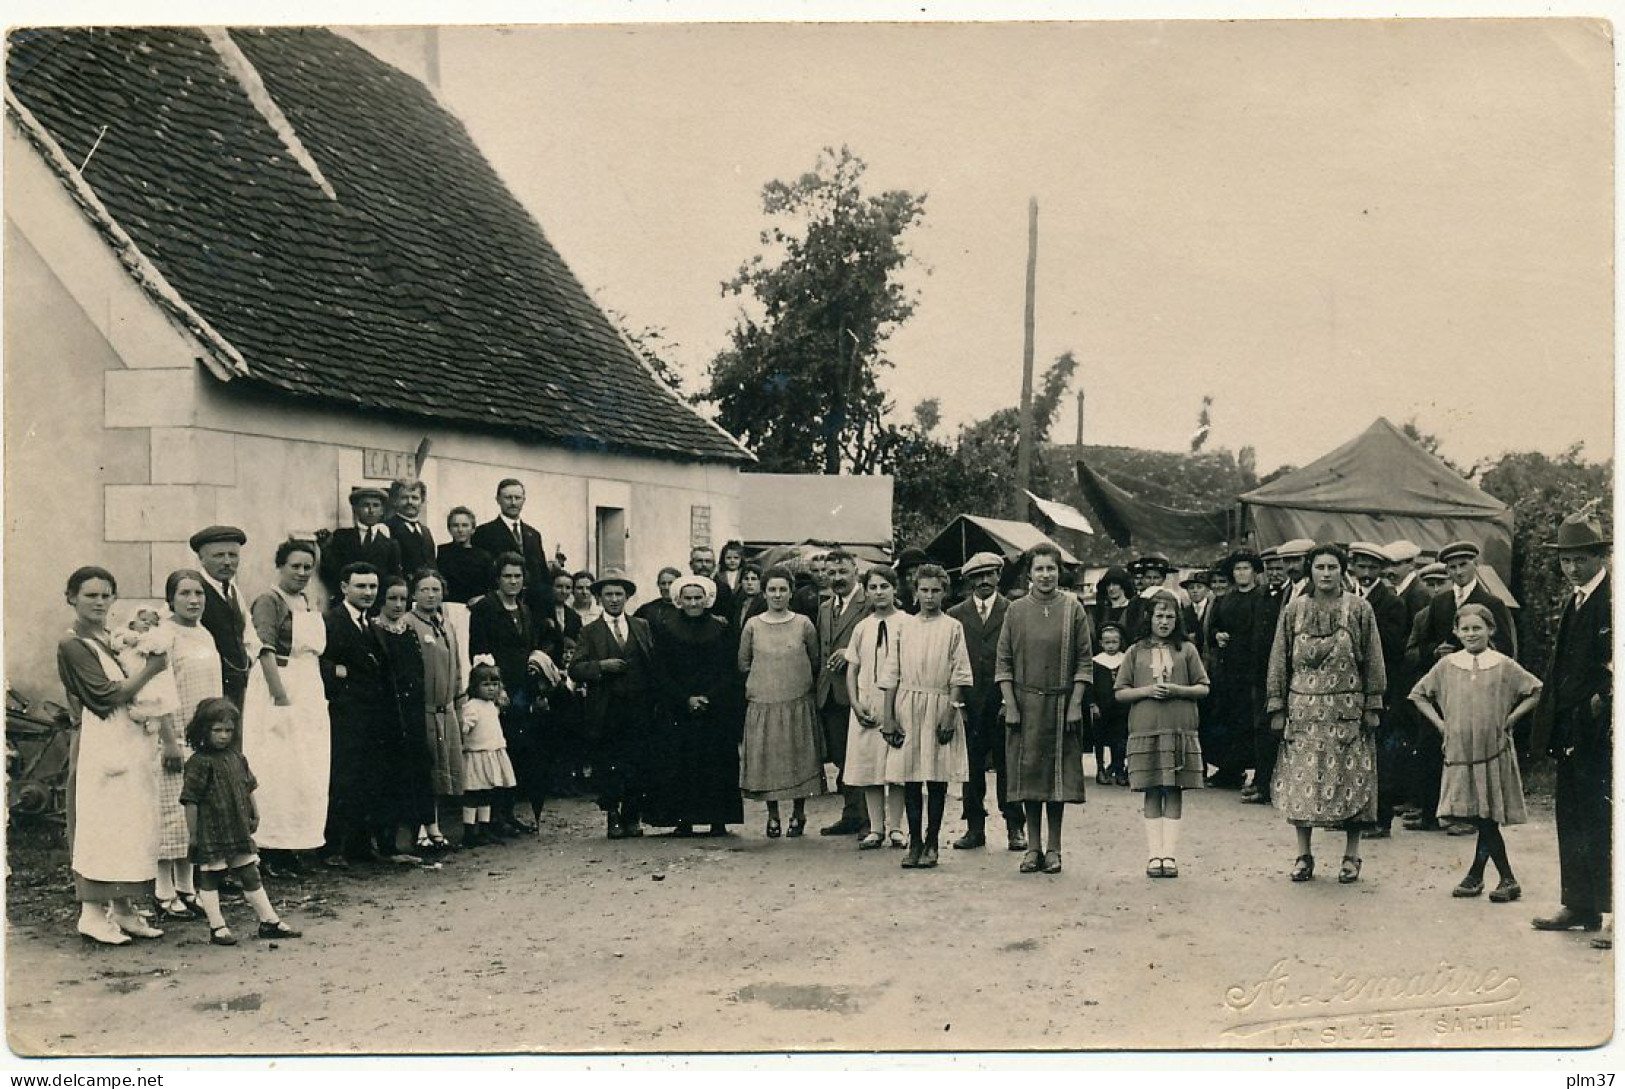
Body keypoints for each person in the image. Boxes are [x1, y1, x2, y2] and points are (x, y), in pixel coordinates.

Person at [58, 566, 169, 944]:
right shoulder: (73, 645)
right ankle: (92, 914)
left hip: (131, 739)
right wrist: (153, 669)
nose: (99, 602)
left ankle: (123, 909)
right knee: (102, 825)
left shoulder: (112, 637)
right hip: (102, 741)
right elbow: (104, 697)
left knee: (131, 823)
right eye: (90, 595)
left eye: (106, 594)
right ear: (71, 597)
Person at [1266, 543, 1387, 885]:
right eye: (1320, 567)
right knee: (1301, 782)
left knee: (1352, 781)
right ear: (1310, 571)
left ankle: (1351, 856)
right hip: (1303, 711)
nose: (1326, 574)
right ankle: (1304, 855)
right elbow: (1279, 658)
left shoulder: (1360, 609)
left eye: (1333, 567)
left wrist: (1373, 704)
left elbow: (1374, 659)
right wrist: (1276, 706)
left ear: (1342, 570)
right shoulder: (1294, 610)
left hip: (1346, 713)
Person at [1409, 604, 1541, 903]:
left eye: (1477, 628)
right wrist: (1442, 724)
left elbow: (1535, 691)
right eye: (1465, 629)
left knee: (1487, 815)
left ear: (1490, 630)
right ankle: (1482, 876)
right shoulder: (1447, 665)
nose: (1471, 634)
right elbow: (1419, 694)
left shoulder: (1504, 664)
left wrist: (1510, 719)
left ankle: (1500, 878)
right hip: (1460, 750)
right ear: (1456, 632)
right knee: (1482, 815)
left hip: (1492, 750)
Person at [1530, 512, 1612, 943]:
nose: (1573, 568)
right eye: (1566, 560)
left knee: (1604, 816)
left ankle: (1614, 911)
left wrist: (1601, 704)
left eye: (1581, 559)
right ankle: (1579, 903)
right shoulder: (1576, 599)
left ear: (1600, 556)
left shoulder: (1612, 598)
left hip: (1602, 729)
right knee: (1573, 813)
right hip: (1571, 725)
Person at [1406, 540, 1516, 834]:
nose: (1458, 572)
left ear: (1474, 566)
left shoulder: (1492, 602)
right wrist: (1435, 653)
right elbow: (1423, 641)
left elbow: (1507, 648)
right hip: (1446, 688)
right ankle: (1432, 812)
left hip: (1478, 687)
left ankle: (1471, 817)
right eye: (1452, 568)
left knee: (1474, 748)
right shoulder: (1439, 602)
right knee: (1432, 744)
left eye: (1463, 565)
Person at [996, 543, 1092, 875]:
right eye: (1039, 569)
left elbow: (1084, 661)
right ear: (1030, 574)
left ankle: (1054, 848)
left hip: (1062, 706)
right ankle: (1032, 848)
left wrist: (1075, 704)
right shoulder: (1015, 610)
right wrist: (1010, 704)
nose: (1046, 575)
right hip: (1025, 706)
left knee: (1057, 780)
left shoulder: (1073, 609)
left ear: (1059, 571)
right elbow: (1004, 662)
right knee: (1030, 777)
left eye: (1051, 568)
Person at [180, 698, 302, 945]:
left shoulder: (237, 757)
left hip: (237, 827)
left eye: (228, 730)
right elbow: (190, 801)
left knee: (250, 872)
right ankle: (217, 927)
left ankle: (269, 921)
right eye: (217, 730)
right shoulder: (198, 763)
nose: (224, 736)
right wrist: (193, 835)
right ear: (203, 730)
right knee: (211, 876)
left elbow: (248, 787)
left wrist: (254, 812)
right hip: (211, 830)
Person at [243, 541, 329, 880]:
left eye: (308, 567)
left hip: (307, 684)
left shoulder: (305, 601)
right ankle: (269, 849)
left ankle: (294, 844)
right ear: (280, 566)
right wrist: (279, 698)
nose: (302, 573)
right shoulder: (269, 601)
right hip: (279, 683)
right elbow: (263, 650)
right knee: (277, 767)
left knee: (304, 769)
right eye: (295, 566)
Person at [880, 564, 973, 869]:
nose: (929, 596)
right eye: (924, 590)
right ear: (915, 592)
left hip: (939, 704)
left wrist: (950, 713)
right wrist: (889, 716)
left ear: (944, 592)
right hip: (907, 705)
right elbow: (891, 672)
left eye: (935, 591)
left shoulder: (952, 627)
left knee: (935, 777)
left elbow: (960, 675)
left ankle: (932, 842)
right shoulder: (903, 627)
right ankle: (914, 841)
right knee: (909, 777)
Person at [1117, 590, 1210, 879]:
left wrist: (1177, 690)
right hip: (1146, 729)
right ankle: (1153, 854)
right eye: (1159, 616)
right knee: (1152, 789)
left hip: (1179, 729)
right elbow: (1120, 692)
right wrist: (1146, 691)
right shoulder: (1136, 651)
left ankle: (1169, 854)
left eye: (1170, 616)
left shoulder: (1187, 650)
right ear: (1149, 618)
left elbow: (1203, 687)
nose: (1165, 622)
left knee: (1173, 789)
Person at [148, 570, 222, 918]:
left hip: (202, 736)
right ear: (171, 598)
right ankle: (163, 893)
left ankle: (186, 887)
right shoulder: (164, 635)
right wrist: (169, 741)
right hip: (175, 736)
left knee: (195, 815)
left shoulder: (205, 633)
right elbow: (157, 690)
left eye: (199, 594)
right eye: (186, 594)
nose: (194, 601)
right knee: (172, 815)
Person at [646, 574, 744, 836]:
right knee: (681, 763)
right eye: (687, 598)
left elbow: (729, 671)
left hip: (715, 709)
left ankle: (718, 819)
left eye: (698, 597)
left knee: (716, 763)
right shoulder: (665, 630)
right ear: (679, 600)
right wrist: (685, 699)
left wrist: (709, 697)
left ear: (707, 599)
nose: (693, 603)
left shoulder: (723, 630)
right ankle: (683, 819)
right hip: (679, 709)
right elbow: (661, 672)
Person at [570, 569, 658, 839]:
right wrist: (601, 666)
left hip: (638, 707)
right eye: (608, 594)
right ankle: (613, 816)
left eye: (619, 594)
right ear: (599, 598)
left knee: (637, 761)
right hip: (607, 709)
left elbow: (652, 663)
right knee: (610, 763)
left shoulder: (641, 626)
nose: (614, 599)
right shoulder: (590, 631)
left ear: (627, 597)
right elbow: (575, 669)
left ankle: (632, 815)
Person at [737, 566, 824, 837]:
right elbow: (743, 663)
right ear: (764, 593)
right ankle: (773, 815)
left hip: (797, 701)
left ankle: (799, 813)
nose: (777, 595)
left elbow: (815, 659)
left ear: (791, 592)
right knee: (769, 760)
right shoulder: (752, 625)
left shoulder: (803, 624)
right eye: (772, 590)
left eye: (782, 589)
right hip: (764, 702)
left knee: (800, 757)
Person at [947, 551, 1023, 851]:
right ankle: (974, 827)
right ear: (968, 581)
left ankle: (1015, 826)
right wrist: (958, 705)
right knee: (971, 768)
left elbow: (1020, 658)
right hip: (968, 702)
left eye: (989, 574)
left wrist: (1010, 701)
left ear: (998, 576)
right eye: (976, 577)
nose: (983, 581)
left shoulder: (1014, 611)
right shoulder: (955, 615)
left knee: (1009, 766)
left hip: (1003, 700)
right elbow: (951, 661)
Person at [467, 553, 545, 836]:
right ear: (497, 579)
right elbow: (480, 650)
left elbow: (530, 651)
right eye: (507, 576)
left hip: (522, 690)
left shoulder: (524, 610)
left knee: (517, 753)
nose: (513, 581)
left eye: (518, 576)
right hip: (496, 693)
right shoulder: (486, 609)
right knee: (494, 753)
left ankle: (509, 812)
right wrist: (495, 689)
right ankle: (492, 818)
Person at [320, 562, 389, 867]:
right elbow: (319, 661)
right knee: (343, 779)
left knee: (368, 778)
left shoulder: (371, 624)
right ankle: (334, 847)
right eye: (361, 586)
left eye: (373, 587)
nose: (368, 592)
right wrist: (336, 672)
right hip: (344, 713)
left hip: (371, 715)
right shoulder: (331, 621)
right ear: (344, 588)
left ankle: (361, 845)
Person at [1349, 542, 1412, 839]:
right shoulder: (1348, 598)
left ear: (1381, 570)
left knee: (1381, 755)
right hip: (1350, 686)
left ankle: (1381, 819)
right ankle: (1353, 814)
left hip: (1382, 687)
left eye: (1371, 568)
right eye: (1360, 566)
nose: (1365, 573)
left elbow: (1393, 647)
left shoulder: (1391, 602)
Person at [843, 566, 909, 849]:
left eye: (884, 586)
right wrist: (856, 704)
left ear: (894, 589)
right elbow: (852, 669)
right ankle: (876, 828)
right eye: (873, 587)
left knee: (895, 769)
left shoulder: (907, 623)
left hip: (896, 704)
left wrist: (896, 709)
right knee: (870, 768)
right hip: (867, 704)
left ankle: (896, 828)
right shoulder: (862, 627)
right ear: (866, 591)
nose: (879, 592)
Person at [373, 576, 437, 861]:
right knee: (389, 773)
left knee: (416, 768)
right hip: (386, 714)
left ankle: (412, 836)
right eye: (392, 599)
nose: (398, 605)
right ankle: (386, 842)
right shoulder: (376, 630)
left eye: (402, 599)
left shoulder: (408, 631)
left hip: (412, 712)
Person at [1207, 550, 1274, 803]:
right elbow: (1214, 626)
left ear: (1255, 572)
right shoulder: (1226, 599)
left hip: (1254, 666)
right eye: (1237, 569)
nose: (1241, 573)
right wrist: (1217, 635)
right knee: (1230, 718)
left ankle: (1258, 774)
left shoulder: (1263, 597)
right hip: (1229, 667)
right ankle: (1229, 769)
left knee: (1253, 721)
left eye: (1246, 568)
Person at [404, 569, 463, 852]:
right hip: (423, 710)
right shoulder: (408, 624)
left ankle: (434, 827)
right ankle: (419, 831)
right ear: (414, 594)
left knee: (442, 770)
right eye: (424, 590)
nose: (430, 595)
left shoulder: (446, 624)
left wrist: (457, 700)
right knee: (422, 771)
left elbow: (457, 665)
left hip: (446, 708)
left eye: (436, 590)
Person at [815, 549, 869, 836]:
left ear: (855, 572)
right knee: (840, 755)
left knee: (863, 755)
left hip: (860, 691)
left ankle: (868, 818)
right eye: (831, 573)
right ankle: (851, 813)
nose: (836, 578)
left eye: (842, 572)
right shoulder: (825, 607)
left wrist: (851, 652)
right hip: (830, 693)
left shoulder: (870, 602)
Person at [189, 525, 256, 710]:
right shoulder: (193, 588)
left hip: (236, 684)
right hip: (206, 685)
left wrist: (247, 659)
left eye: (233, 555)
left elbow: (249, 632)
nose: (227, 562)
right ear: (202, 559)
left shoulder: (233, 591)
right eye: (219, 555)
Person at [471, 479, 553, 614]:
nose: (513, 502)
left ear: (524, 500)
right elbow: (480, 573)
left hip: (533, 608)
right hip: (500, 606)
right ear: (498, 500)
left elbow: (542, 575)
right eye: (508, 498)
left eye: (517, 498)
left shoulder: (533, 534)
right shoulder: (484, 532)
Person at [460, 663, 518, 847]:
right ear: (475, 686)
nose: (491, 688)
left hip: (492, 752)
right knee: (473, 793)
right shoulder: (472, 706)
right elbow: (465, 727)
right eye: (485, 685)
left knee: (486, 792)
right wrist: (464, 728)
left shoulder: (492, 706)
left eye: (494, 684)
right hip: (477, 755)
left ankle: (484, 829)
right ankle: (469, 830)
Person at [436, 505, 491, 687]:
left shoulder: (483, 556)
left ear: (473, 529)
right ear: (449, 528)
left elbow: (492, 586)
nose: (460, 530)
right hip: (447, 610)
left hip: (473, 611)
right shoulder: (441, 553)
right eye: (455, 525)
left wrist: (482, 597)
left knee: (469, 652)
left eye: (465, 525)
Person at [319, 487, 403, 599]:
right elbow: (331, 570)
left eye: (376, 505)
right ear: (356, 509)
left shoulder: (390, 544)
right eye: (365, 505)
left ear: (382, 511)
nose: (371, 510)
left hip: (376, 603)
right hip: (346, 599)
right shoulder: (342, 537)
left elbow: (393, 578)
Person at [1090, 623, 1130, 787]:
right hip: (1102, 707)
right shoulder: (1096, 662)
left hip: (1120, 708)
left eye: (1114, 642)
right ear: (1101, 643)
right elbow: (1090, 685)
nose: (1111, 646)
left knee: (1120, 739)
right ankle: (1100, 768)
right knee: (1099, 738)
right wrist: (1092, 704)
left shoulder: (1125, 659)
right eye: (1107, 642)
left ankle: (1118, 768)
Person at [386, 478, 437, 577]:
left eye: (415, 498)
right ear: (395, 501)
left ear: (422, 501)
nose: (410, 502)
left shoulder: (425, 531)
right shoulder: (387, 528)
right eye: (404, 498)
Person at [1090, 566, 1136, 637]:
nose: (1111, 588)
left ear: (1123, 585)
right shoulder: (1101, 611)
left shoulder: (1133, 608)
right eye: (1108, 585)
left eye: (1115, 584)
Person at [633, 566, 682, 634]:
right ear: (658, 585)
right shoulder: (646, 610)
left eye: (671, 583)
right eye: (663, 583)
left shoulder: (687, 608)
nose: (666, 587)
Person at [731, 565, 766, 630]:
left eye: (754, 579)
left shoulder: (766, 604)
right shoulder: (737, 602)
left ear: (761, 582)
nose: (749, 583)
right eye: (746, 579)